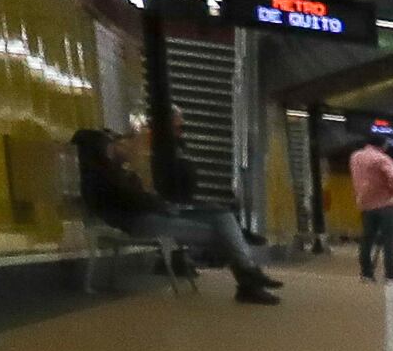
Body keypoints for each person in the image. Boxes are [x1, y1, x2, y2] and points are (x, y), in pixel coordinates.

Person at [80, 115, 282, 302]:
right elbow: (133, 202)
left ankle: (248, 273)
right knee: (222, 233)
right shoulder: (102, 178)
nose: (125, 147)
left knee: (223, 215)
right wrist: (154, 200)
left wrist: (148, 193)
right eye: (116, 145)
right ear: (105, 150)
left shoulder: (116, 174)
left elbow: (141, 198)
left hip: (154, 214)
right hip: (143, 222)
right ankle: (249, 278)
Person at [347, 130, 393, 280]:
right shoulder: (382, 159)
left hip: (365, 203)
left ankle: (366, 272)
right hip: (387, 203)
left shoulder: (355, 157)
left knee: (367, 238)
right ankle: (390, 273)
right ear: (382, 145)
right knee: (389, 240)